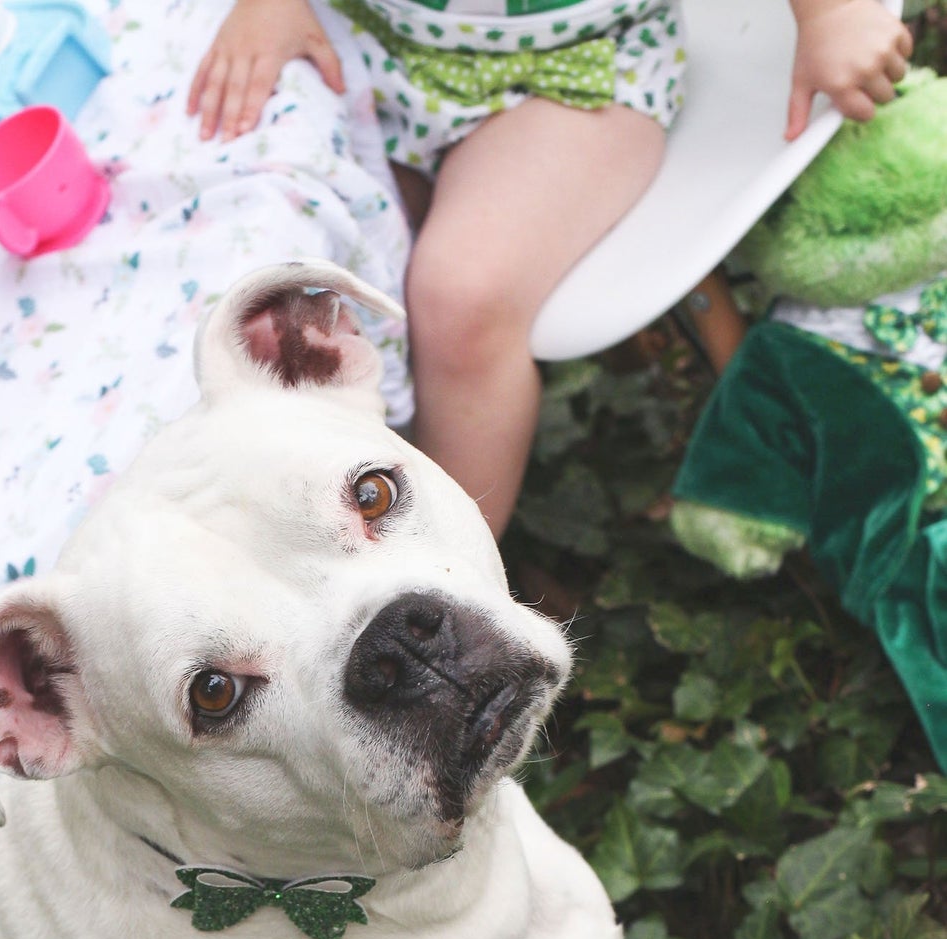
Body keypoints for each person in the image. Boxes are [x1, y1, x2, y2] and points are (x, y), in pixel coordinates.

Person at [188, 0, 915, 538]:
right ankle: (313, 510)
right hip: (376, 34)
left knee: (460, 299)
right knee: (296, 258)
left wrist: (832, 13)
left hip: (575, 69)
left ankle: (442, 566)